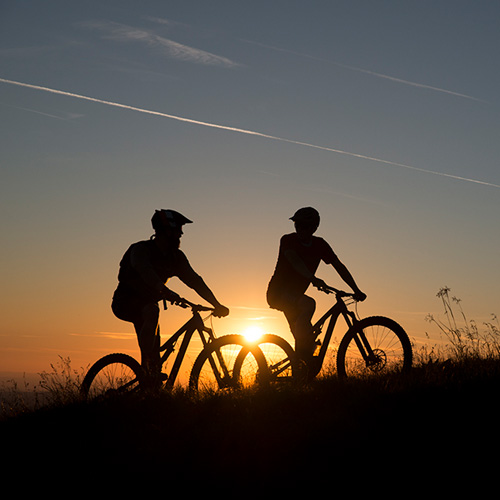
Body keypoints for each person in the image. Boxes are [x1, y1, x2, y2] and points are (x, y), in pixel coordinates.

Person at [111, 209, 229, 376]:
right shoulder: (140, 249)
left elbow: (195, 281)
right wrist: (164, 290)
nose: (181, 234)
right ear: (166, 231)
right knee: (152, 311)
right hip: (125, 301)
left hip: (149, 305)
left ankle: (151, 381)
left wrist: (216, 304)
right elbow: (145, 271)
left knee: (156, 354)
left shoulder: (176, 258)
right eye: (177, 230)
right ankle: (146, 367)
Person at [266, 207, 366, 364]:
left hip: (295, 298)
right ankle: (301, 353)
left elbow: (339, 266)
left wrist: (356, 289)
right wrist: (313, 278)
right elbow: (294, 261)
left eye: (304, 226)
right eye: (297, 225)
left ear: (313, 227)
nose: (299, 229)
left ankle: (301, 370)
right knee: (309, 304)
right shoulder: (287, 240)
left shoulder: (320, 245)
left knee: (309, 342)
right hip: (278, 293)